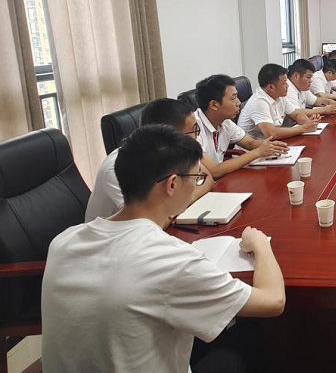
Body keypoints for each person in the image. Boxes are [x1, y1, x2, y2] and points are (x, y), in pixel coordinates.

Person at [42, 125, 286, 373]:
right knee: (248, 332)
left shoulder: (63, 241)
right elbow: (274, 301)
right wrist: (260, 244)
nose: (197, 185)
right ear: (172, 184)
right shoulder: (173, 260)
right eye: (196, 178)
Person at [85, 98, 213, 222]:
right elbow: (147, 220)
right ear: (171, 135)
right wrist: (183, 201)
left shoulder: (175, 153)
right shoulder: (117, 167)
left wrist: (185, 200)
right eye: (194, 130)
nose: (197, 136)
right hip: (118, 234)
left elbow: (208, 177)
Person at [194, 74, 290, 180]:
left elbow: (250, 143)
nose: (239, 102)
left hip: (221, 179)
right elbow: (215, 171)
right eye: (233, 98)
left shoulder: (225, 122)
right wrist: (258, 152)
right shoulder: (192, 130)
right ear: (214, 105)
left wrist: (270, 147)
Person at [237, 63, 318, 139]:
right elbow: (271, 133)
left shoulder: (280, 96)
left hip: (270, 144)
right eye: (284, 83)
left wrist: (308, 123)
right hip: (253, 147)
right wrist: (303, 128)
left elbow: (296, 114)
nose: (287, 86)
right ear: (271, 87)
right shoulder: (259, 102)